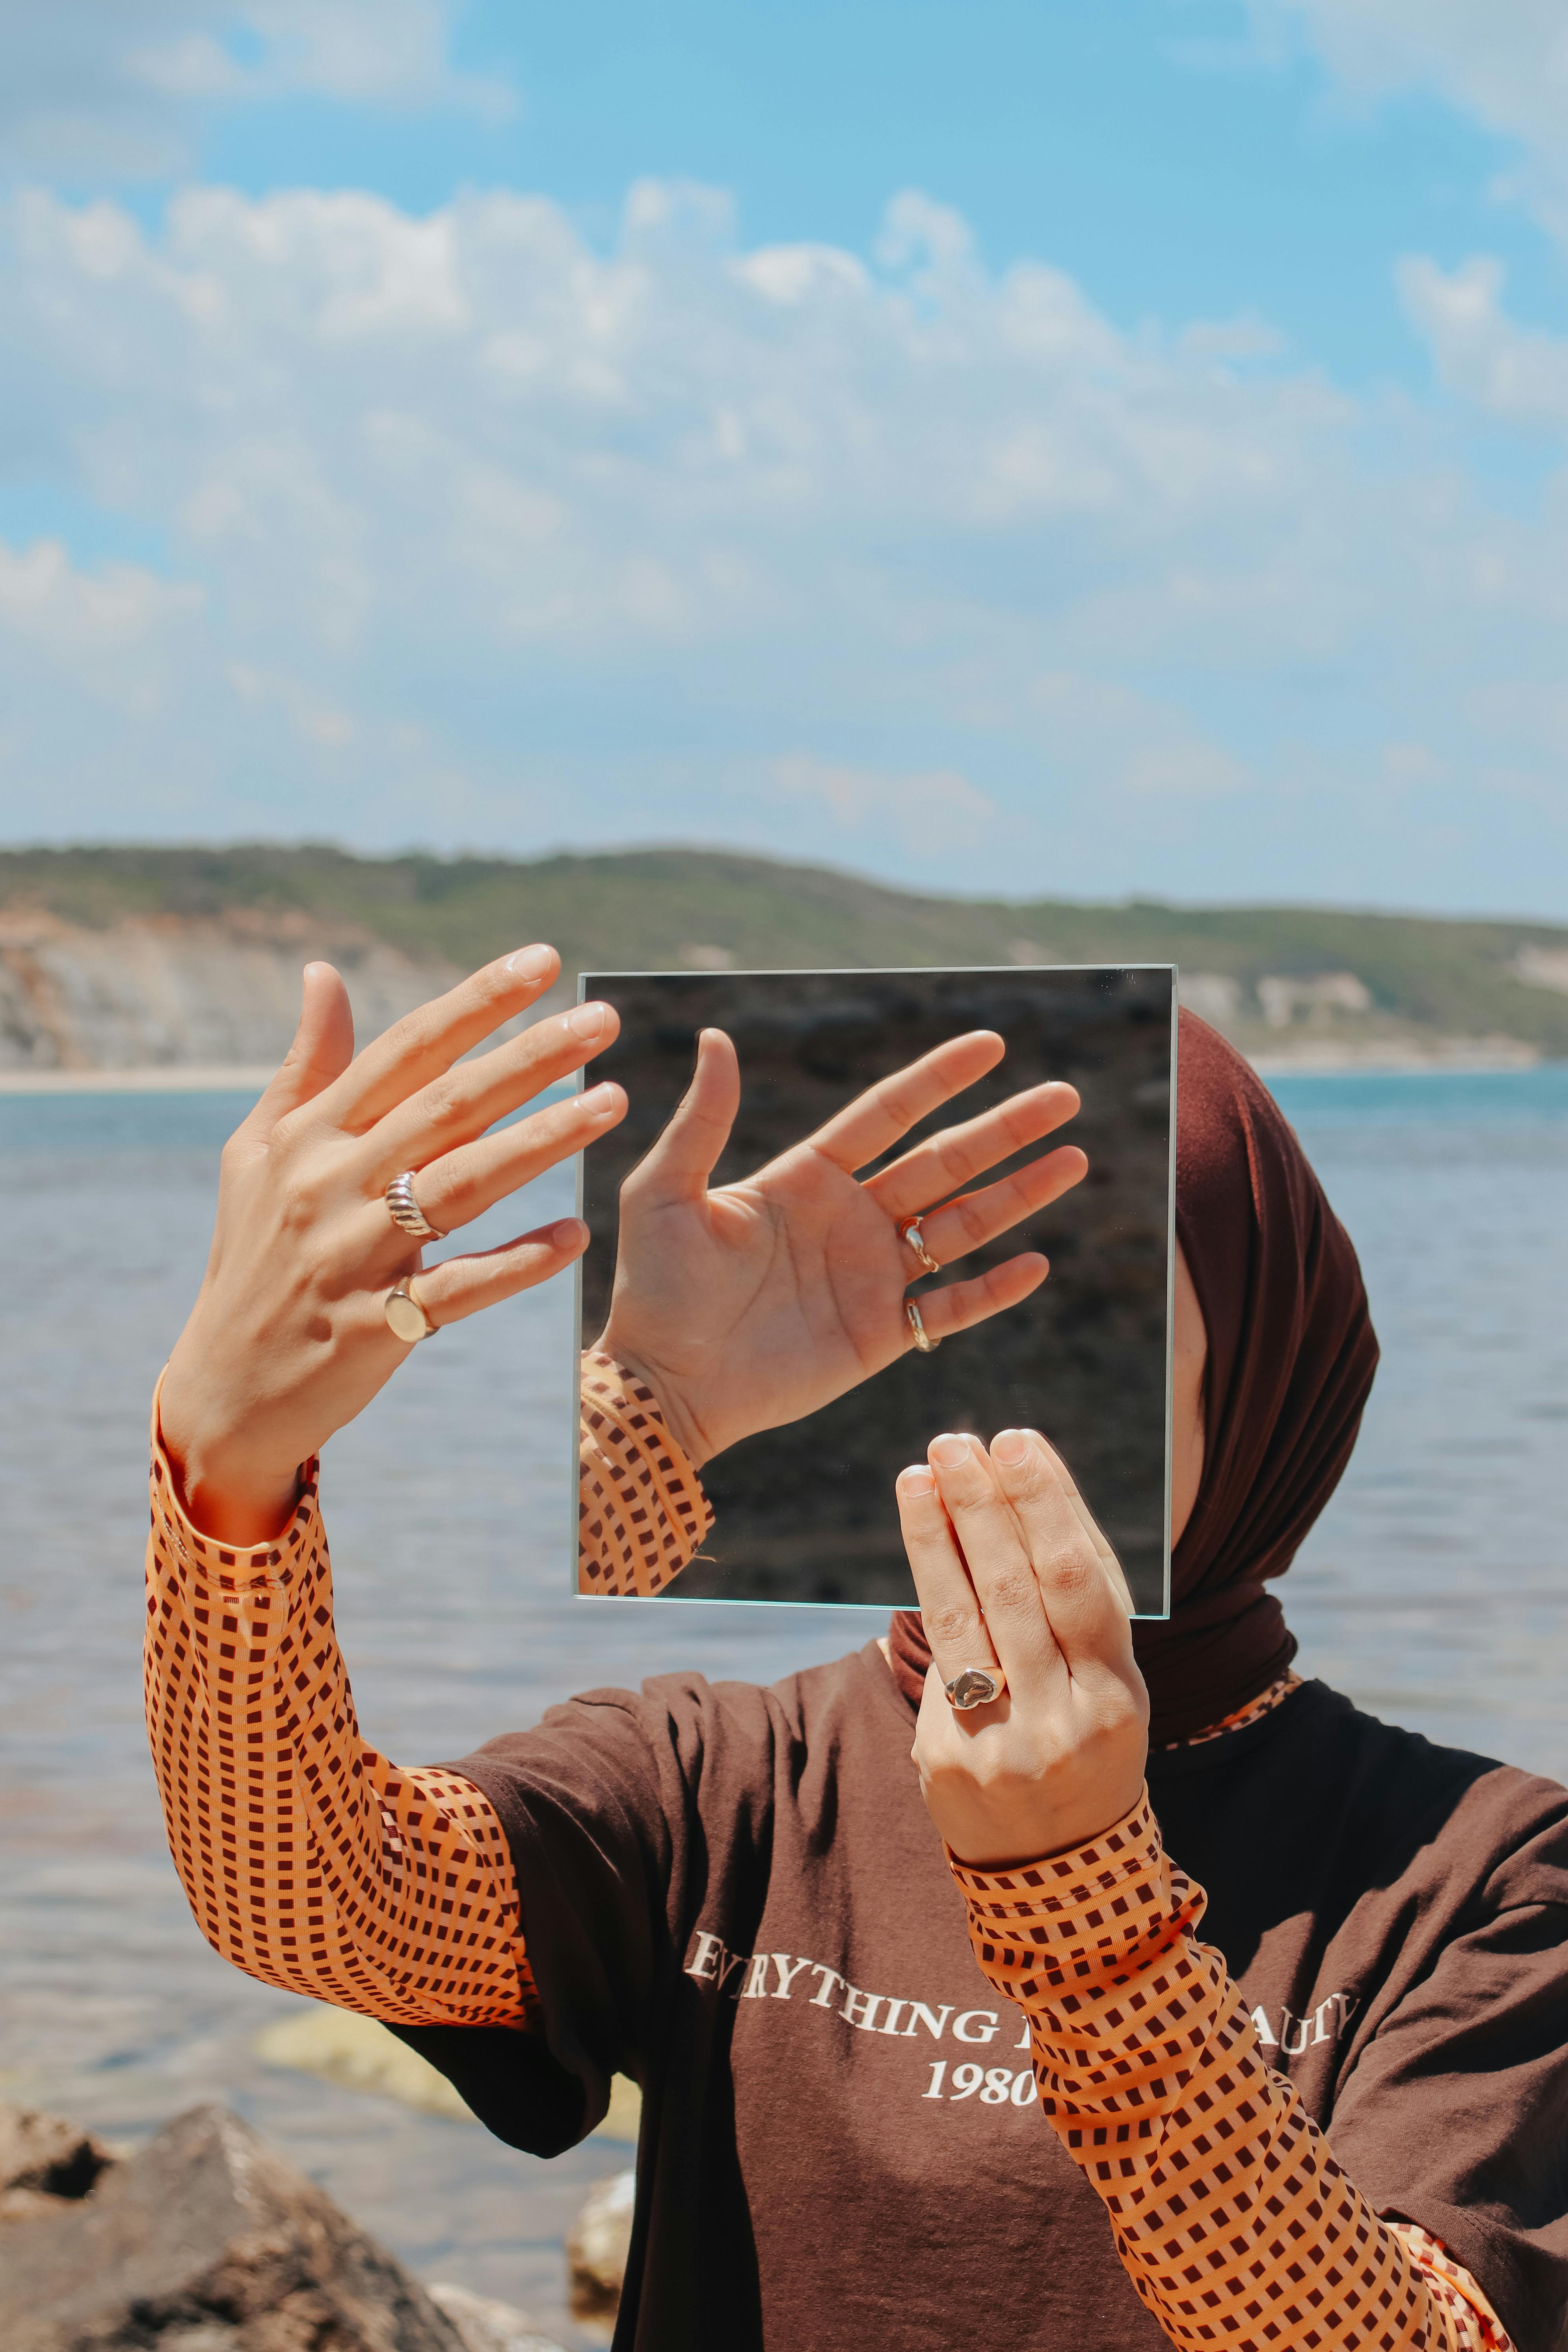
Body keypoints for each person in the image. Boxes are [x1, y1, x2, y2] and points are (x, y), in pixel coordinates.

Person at [143, 948, 1568, 2351]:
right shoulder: (732, 1782)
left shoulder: (1482, 1869)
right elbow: (310, 1895)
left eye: (1099, 1319)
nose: (1016, 1390)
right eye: (966, 1301)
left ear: (1262, 1370)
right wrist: (245, 1465)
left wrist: (1087, 1922)